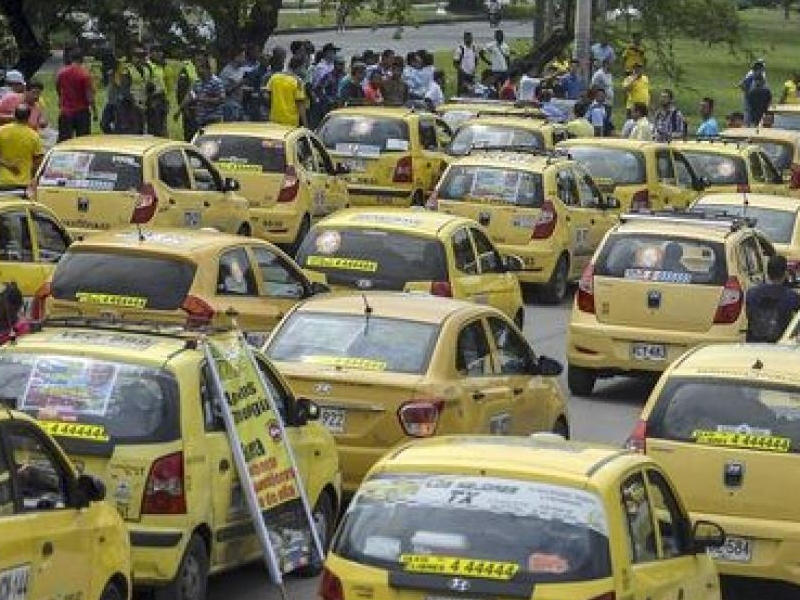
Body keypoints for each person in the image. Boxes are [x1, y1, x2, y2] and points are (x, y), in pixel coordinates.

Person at [745, 255, 800, 343]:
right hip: (780, 345)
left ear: (767, 272)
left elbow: (748, 314)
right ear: (785, 273)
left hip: (754, 344)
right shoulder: (792, 296)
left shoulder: (752, 293)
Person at [55, 47, 96, 141]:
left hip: (66, 112)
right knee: (82, 140)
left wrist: (61, 99)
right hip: (81, 112)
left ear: (70, 58)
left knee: (64, 140)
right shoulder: (85, 74)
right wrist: (95, 111)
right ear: (82, 59)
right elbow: (90, 97)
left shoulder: (61, 73)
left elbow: (58, 87)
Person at [0, 104, 43, 189]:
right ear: (28, 117)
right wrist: (33, 176)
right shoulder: (33, 136)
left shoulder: (1, 131)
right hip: (23, 182)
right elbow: (38, 161)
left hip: (3, 181)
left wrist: (8, 166)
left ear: (14, 116)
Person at [175, 58, 225, 129]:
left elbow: (221, 100)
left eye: (200, 70)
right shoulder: (197, 82)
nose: (198, 72)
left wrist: (204, 99)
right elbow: (190, 95)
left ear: (207, 69)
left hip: (213, 118)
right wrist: (180, 109)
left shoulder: (216, 82)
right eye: (197, 70)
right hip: (201, 118)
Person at [117, 45, 152, 134]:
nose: (140, 58)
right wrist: (135, 103)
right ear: (132, 57)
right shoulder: (127, 70)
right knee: (131, 131)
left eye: (142, 56)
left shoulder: (147, 69)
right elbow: (124, 90)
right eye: (137, 56)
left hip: (143, 104)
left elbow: (148, 85)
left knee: (142, 129)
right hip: (129, 106)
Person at [265, 55, 307, 126]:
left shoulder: (274, 77)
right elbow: (300, 105)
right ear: (300, 67)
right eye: (303, 67)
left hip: (274, 120)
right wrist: (305, 124)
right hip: (290, 122)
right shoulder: (298, 82)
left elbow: (267, 96)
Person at [175, 52, 200, 141]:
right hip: (190, 108)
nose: (201, 57)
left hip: (201, 108)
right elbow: (181, 90)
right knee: (190, 134)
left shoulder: (202, 67)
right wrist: (184, 108)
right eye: (199, 54)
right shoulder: (186, 68)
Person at [220, 47, 248, 122]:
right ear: (236, 57)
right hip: (230, 106)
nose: (244, 59)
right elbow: (224, 91)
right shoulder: (226, 72)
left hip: (239, 104)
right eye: (242, 56)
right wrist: (239, 84)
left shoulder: (241, 70)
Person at [146, 45, 169, 136]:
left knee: (163, 126)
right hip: (153, 99)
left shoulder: (160, 66)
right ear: (151, 53)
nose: (159, 54)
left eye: (160, 52)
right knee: (154, 127)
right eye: (156, 52)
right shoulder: (148, 66)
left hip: (162, 98)